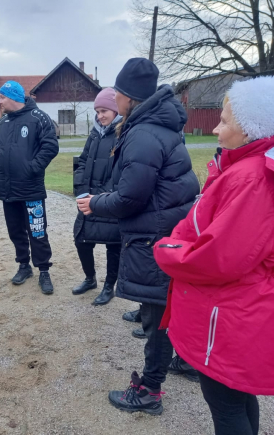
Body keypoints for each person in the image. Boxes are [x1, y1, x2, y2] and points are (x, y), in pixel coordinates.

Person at [77, 58, 200, 415]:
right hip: (165, 229)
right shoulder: (155, 125)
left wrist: (94, 204)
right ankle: (186, 361)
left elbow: (131, 196)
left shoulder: (143, 134)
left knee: (156, 316)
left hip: (153, 237)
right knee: (167, 307)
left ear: (129, 96)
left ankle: (149, 391)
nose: (114, 99)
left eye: (117, 93)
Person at [154, 76, 274, 434]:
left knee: (225, 404)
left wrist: (167, 249)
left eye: (225, 122)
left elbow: (219, 257)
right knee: (235, 399)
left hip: (231, 313)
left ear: (251, 130)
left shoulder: (250, 178)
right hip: (240, 308)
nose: (216, 130)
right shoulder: (244, 170)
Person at [0, 81, 59, 295]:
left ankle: (44, 270)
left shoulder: (39, 117)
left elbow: (51, 146)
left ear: (13, 97)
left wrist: (32, 168)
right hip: (8, 191)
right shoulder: (3, 122)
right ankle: (24, 266)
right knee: (16, 231)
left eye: (2, 97)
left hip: (31, 189)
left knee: (37, 231)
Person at [72, 88, 122, 305]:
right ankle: (90, 278)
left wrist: (102, 197)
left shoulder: (122, 132)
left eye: (104, 111)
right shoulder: (94, 134)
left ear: (115, 110)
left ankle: (109, 285)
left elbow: (122, 170)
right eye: (97, 111)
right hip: (88, 197)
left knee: (113, 244)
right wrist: (81, 188)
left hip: (108, 200)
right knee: (81, 239)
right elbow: (82, 161)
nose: (100, 116)